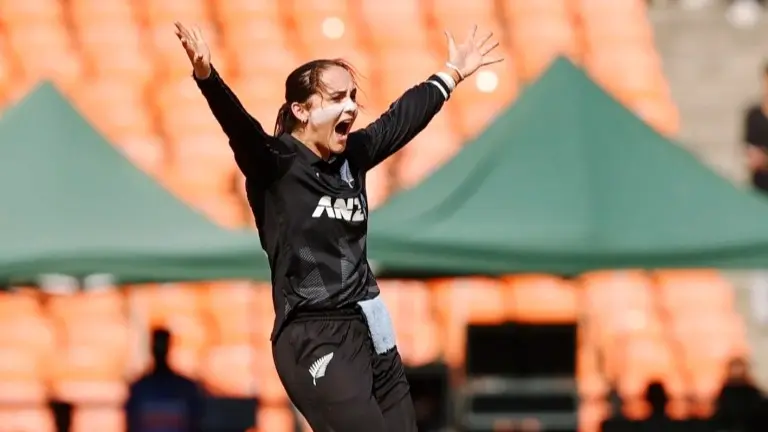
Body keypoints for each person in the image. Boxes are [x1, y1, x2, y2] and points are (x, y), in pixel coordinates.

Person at [174, 21, 501, 432]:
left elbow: (400, 119)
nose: (350, 107)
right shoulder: (275, 164)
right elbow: (239, 128)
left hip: (372, 327)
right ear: (301, 110)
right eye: (336, 98)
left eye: (352, 97)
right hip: (313, 333)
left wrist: (450, 74)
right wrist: (207, 76)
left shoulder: (352, 157)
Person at [125, 328, 205, 432]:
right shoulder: (139, 389)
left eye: (162, 345)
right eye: (158, 345)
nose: (160, 349)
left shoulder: (186, 388)